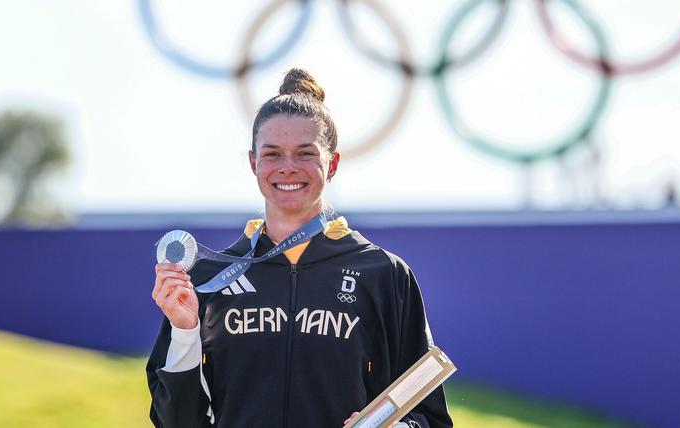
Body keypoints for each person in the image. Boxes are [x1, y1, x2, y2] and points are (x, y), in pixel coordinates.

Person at [147, 68, 453, 427]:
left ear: (332, 164)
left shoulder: (384, 275)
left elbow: (428, 416)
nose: (288, 168)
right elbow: (177, 422)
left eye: (305, 154)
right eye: (273, 154)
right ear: (254, 163)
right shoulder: (208, 279)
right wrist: (185, 332)